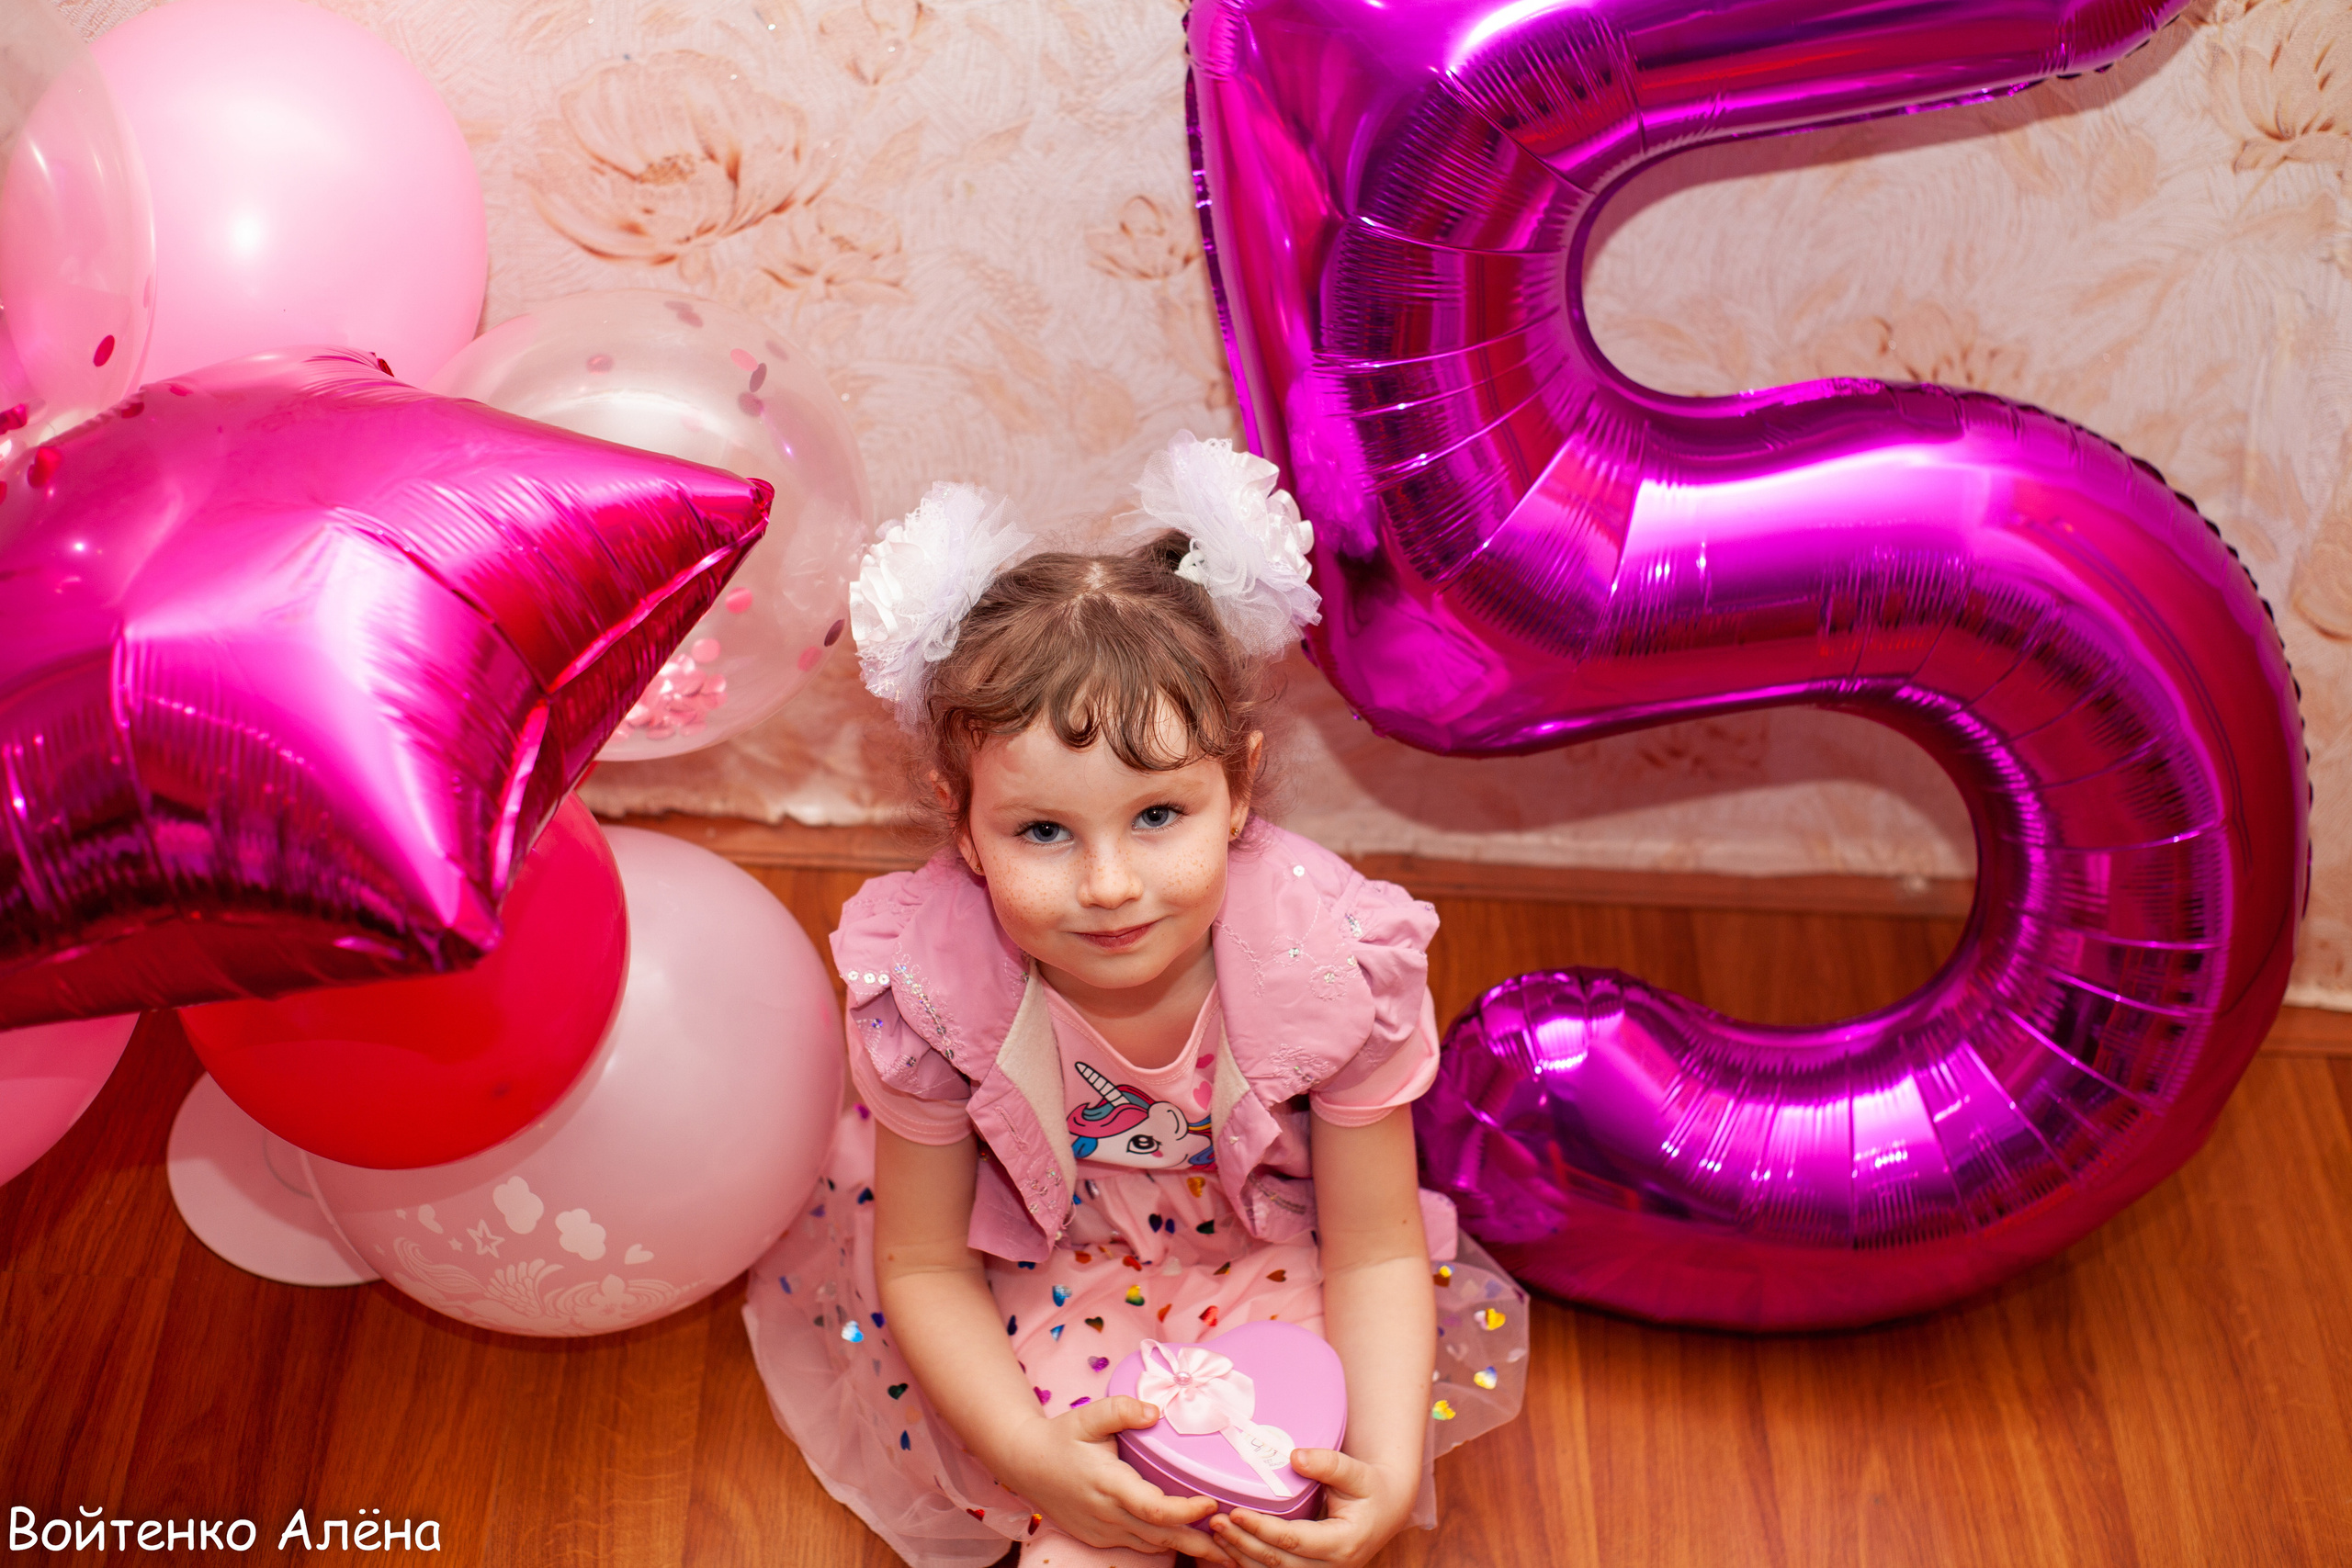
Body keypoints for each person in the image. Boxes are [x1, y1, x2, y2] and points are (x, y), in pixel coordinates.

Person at [744, 434, 1527, 1568]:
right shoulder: (932, 986)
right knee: (1089, 1529)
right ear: (960, 822)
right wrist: (1030, 1452)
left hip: (1275, 1250)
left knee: (1279, 1499)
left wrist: (1388, 1478)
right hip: (1035, 1263)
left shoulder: (1336, 966)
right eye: (1043, 832)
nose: (1109, 887)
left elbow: (1372, 1251)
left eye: (1158, 815)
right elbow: (921, 1263)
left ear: (1239, 786)